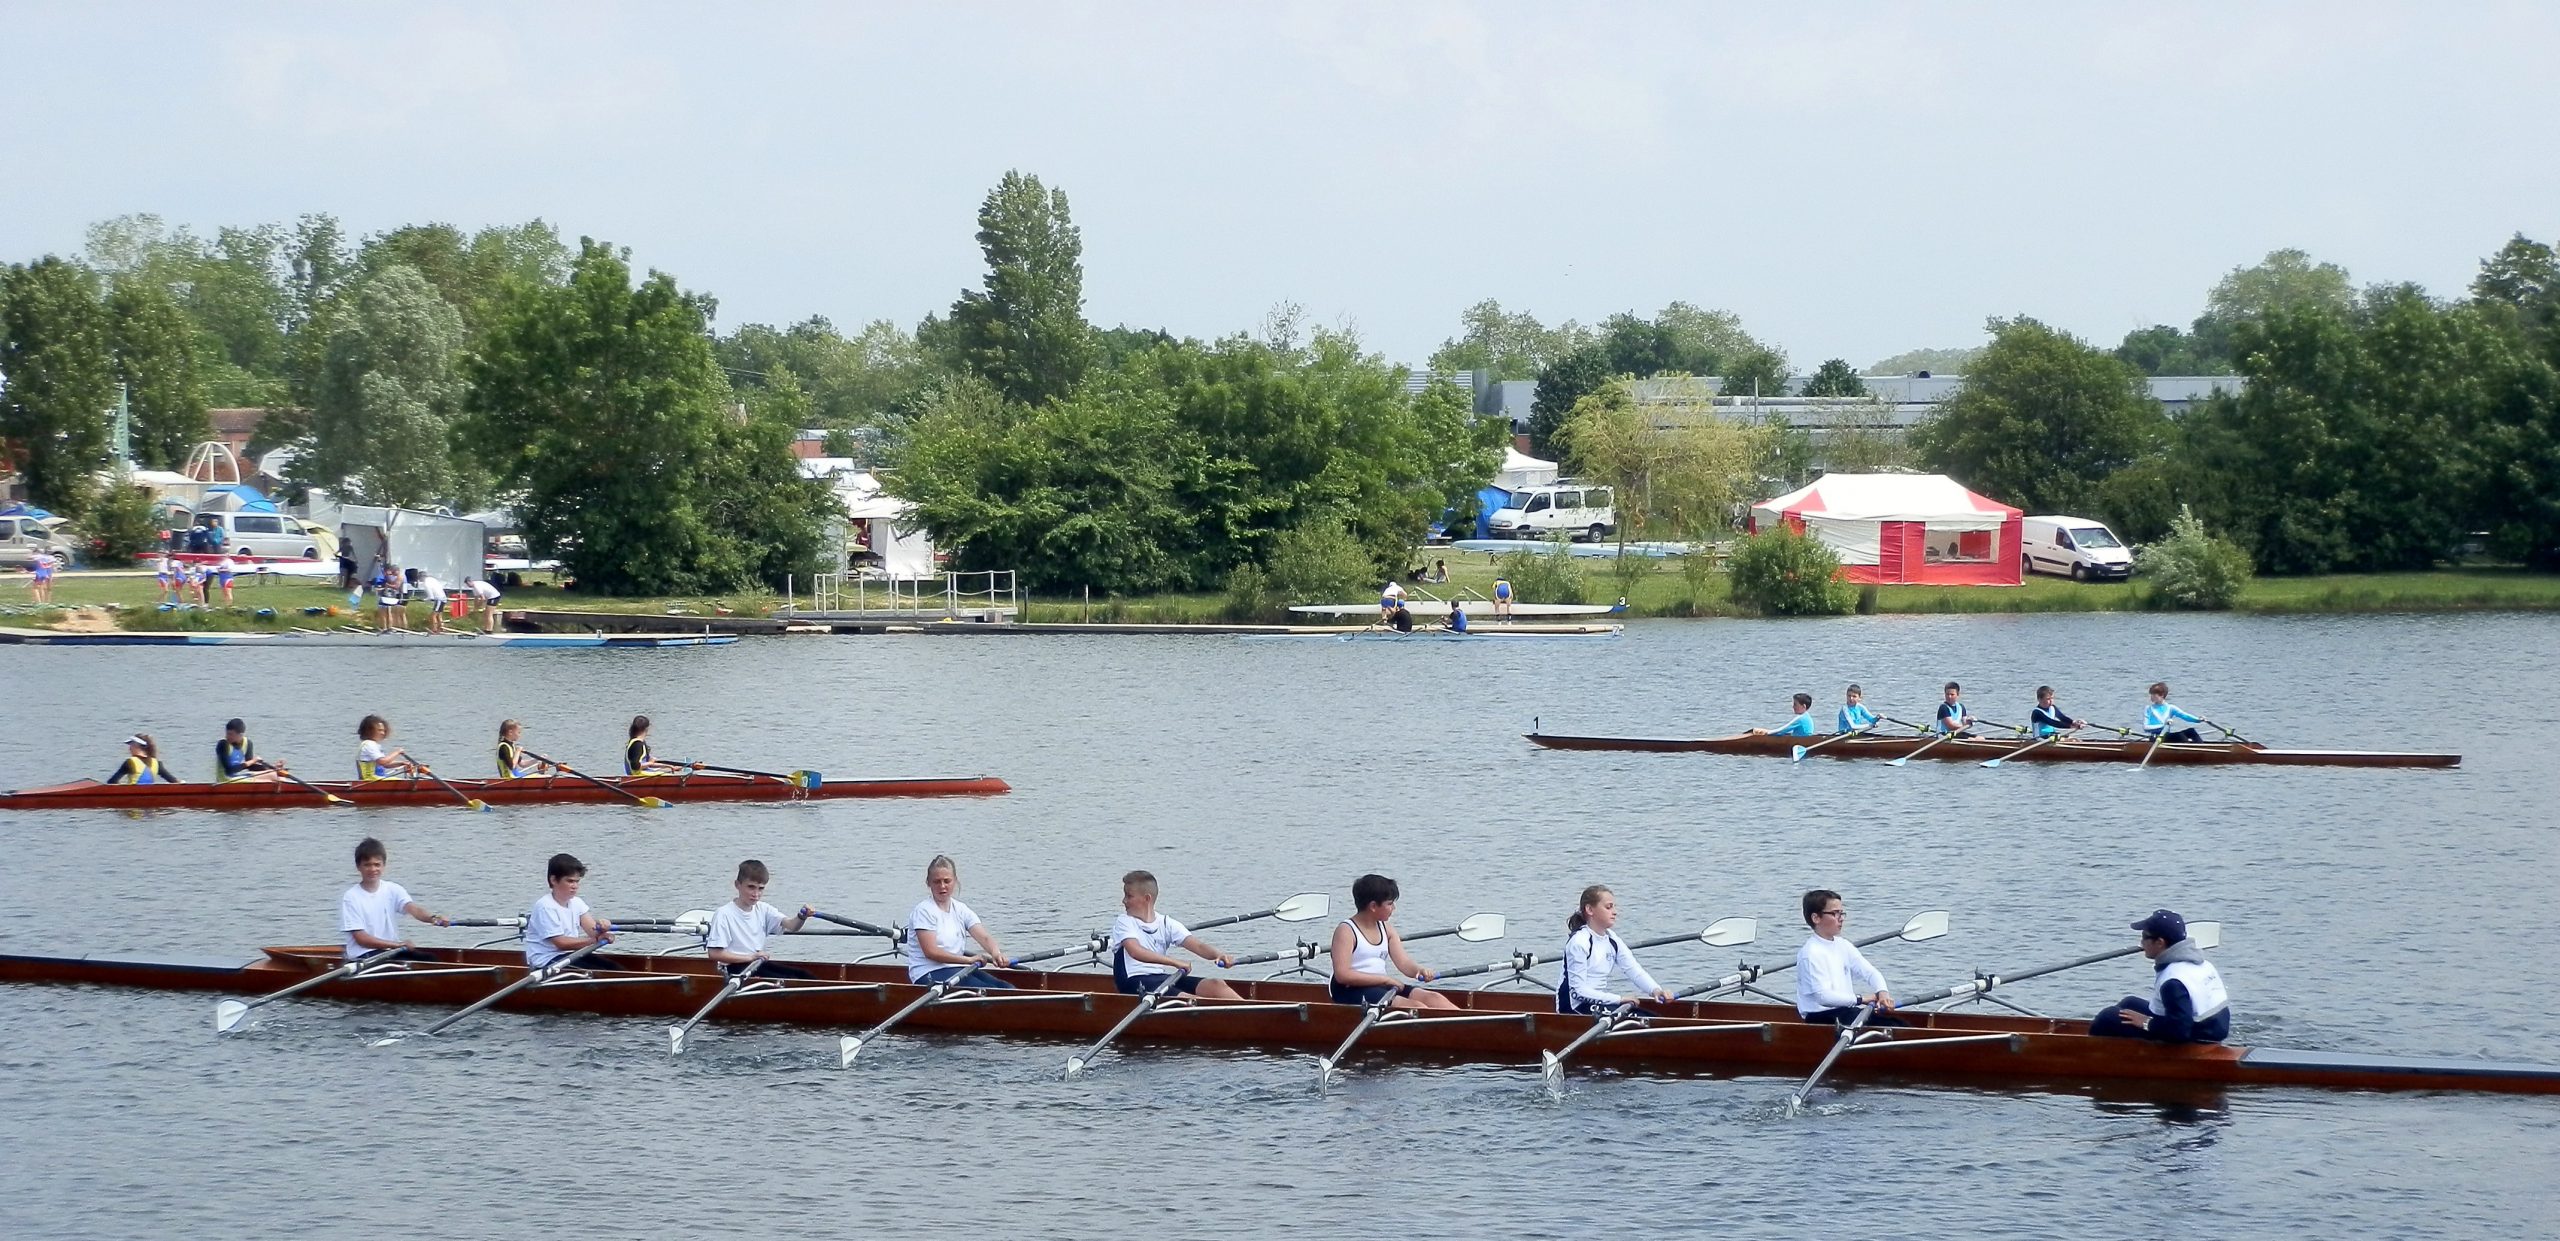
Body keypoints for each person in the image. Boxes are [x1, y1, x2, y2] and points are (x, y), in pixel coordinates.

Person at [2090, 909, 2230, 1043]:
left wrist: (2146, 1022)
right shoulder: (2201, 963)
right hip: (2211, 1026)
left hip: (2197, 1037)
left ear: (2160, 942)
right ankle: (2122, 1051)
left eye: (2145, 937)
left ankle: (2089, 1056)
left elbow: (2179, 1032)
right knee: (2129, 1003)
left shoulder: (2173, 980)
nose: (2141, 943)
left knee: (2107, 1017)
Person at [1327, 874, 1457, 1010]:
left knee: (1434, 999)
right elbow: (1343, 975)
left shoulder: (1387, 929)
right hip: (1348, 990)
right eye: (1389, 903)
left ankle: (1473, 1027)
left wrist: (1420, 970)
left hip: (1379, 986)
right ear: (1373, 906)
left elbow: (1404, 963)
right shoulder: (1346, 931)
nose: (1394, 908)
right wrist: (1386, 980)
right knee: (1416, 1007)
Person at [1109, 870, 1241, 1000]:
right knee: (1189, 1000)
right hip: (1133, 981)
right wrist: (1174, 962)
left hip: (1159, 978)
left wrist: (1218, 955)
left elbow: (1198, 946)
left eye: (1129, 896)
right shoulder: (1125, 921)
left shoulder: (1166, 923)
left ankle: (1256, 1014)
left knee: (1216, 985)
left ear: (1147, 898)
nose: (1124, 901)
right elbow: (1135, 952)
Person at [1557, 885, 1673, 1016]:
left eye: (1614, 906)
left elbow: (1634, 970)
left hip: (1597, 1003)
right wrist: (1619, 999)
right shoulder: (1579, 942)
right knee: (1642, 1022)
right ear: (1589, 909)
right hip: (1573, 1007)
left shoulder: (1612, 939)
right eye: (1608, 907)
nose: (1615, 912)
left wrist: (1655, 990)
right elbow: (1578, 991)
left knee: (1653, 1019)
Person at [903, 855, 1013, 989]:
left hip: (956, 969)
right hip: (927, 973)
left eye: (947, 881)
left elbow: (984, 937)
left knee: (1006, 987)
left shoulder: (961, 909)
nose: (942, 886)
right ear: (928, 883)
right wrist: (969, 960)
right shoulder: (923, 911)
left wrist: (996, 953)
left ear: (955, 881)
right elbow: (931, 952)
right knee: (990, 991)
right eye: (937, 882)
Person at [1795, 889, 1903, 1026]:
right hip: (1820, 1018)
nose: (1841, 919)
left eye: (1841, 913)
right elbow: (1823, 997)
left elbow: (1870, 973)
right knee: (1893, 1028)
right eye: (1834, 913)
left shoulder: (1843, 945)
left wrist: (1883, 993)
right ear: (1816, 918)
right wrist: (1861, 999)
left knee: (1899, 1024)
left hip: (1844, 1012)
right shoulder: (1811, 953)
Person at [341, 837, 449, 960]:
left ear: (384, 866)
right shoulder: (351, 897)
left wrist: (433, 918)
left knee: (431, 960)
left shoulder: (393, 889)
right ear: (358, 867)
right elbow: (361, 939)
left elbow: (413, 909)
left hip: (390, 951)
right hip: (364, 955)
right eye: (367, 865)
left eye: (377, 865)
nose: (373, 869)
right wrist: (397, 945)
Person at [705, 859, 813, 980]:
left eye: (760, 888)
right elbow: (714, 954)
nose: (756, 894)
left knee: (804, 976)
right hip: (733, 969)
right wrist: (751, 957)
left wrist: (801, 916)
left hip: (755, 963)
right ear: (737, 885)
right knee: (788, 981)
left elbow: (792, 926)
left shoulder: (763, 909)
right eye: (751, 887)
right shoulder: (724, 914)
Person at [526, 852, 627, 972]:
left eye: (577, 881)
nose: (575, 886)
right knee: (599, 974)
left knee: (615, 969)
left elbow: (593, 931)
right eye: (570, 881)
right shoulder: (545, 906)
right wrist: (595, 940)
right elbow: (561, 943)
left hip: (569, 956)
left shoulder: (576, 902)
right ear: (553, 880)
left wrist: (603, 927)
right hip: (546, 961)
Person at [623, 715, 699, 776]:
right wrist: (651, 763)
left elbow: (646, 765)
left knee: (668, 772)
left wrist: (669, 767)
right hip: (638, 776)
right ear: (647, 728)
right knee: (669, 776)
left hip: (641, 774)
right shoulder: (637, 745)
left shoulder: (635, 742)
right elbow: (636, 767)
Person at [214, 718, 283, 783]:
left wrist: (272, 768)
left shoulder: (247, 743)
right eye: (227, 733)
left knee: (274, 774)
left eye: (230, 734)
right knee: (274, 777)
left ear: (240, 735)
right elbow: (229, 770)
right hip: (224, 780)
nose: (227, 736)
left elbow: (250, 767)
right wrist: (253, 761)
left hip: (235, 778)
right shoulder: (223, 744)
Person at [356, 714, 424, 780]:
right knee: (402, 783)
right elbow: (383, 762)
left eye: (383, 730)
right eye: (379, 730)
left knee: (403, 782)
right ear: (369, 730)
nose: (383, 733)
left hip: (377, 779)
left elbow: (385, 765)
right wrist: (397, 752)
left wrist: (401, 763)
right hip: (371, 780)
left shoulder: (371, 744)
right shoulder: (369, 745)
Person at [495, 720, 559, 779]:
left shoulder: (511, 746)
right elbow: (512, 767)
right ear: (510, 732)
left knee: (546, 776)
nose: (519, 735)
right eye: (518, 732)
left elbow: (523, 764)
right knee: (548, 777)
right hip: (510, 779)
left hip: (517, 776)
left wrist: (538, 759)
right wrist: (518, 751)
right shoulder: (503, 747)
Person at [107, 734, 171, 785]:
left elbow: (112, 781)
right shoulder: (157, 763)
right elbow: (173, 781)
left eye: (131, 745)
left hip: (131, 795)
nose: (129, 749)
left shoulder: (130, 762)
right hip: (149, 795)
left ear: (136, 746)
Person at [1750, 693, 1819, 737]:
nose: (1793, 707)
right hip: (1802, 739)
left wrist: (1766, 733)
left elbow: (1781, 731)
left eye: (1795, 704)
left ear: (1803, 706)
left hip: (1802, 742)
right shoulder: (1807, 716)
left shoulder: (1801, 718)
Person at [415, 570, 448, 634]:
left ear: (422, 577)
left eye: (419, 578)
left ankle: (434, 629)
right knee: (439, 615)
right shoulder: (432, 579)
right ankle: (441, 628)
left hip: (439, 599)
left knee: (433, 615)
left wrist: (423, 600)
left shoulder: (426, 583)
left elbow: (431, 597)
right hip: (443, 597)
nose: (419, 580)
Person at [374, 567, 406, 634]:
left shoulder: (399, 576)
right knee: (393, 613)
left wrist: (387, 584)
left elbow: (395, 586)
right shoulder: (395, 577)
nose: (393, 574)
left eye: (393, 572)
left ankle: (389, 628)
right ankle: (392, 628)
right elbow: (392, 583)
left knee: (387, 613)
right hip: (393, 596)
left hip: (395, 596)